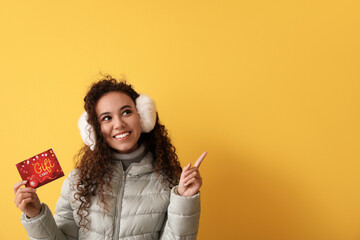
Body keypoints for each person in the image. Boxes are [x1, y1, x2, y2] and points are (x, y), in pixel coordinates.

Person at [13, 76, 207, 240]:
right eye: (106, 118)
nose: (119, 124)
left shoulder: (169, 178)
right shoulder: (78, 181)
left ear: (143, 116)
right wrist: (36, 215)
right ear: (93, 130)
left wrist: (184, 200)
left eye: (126, 112)